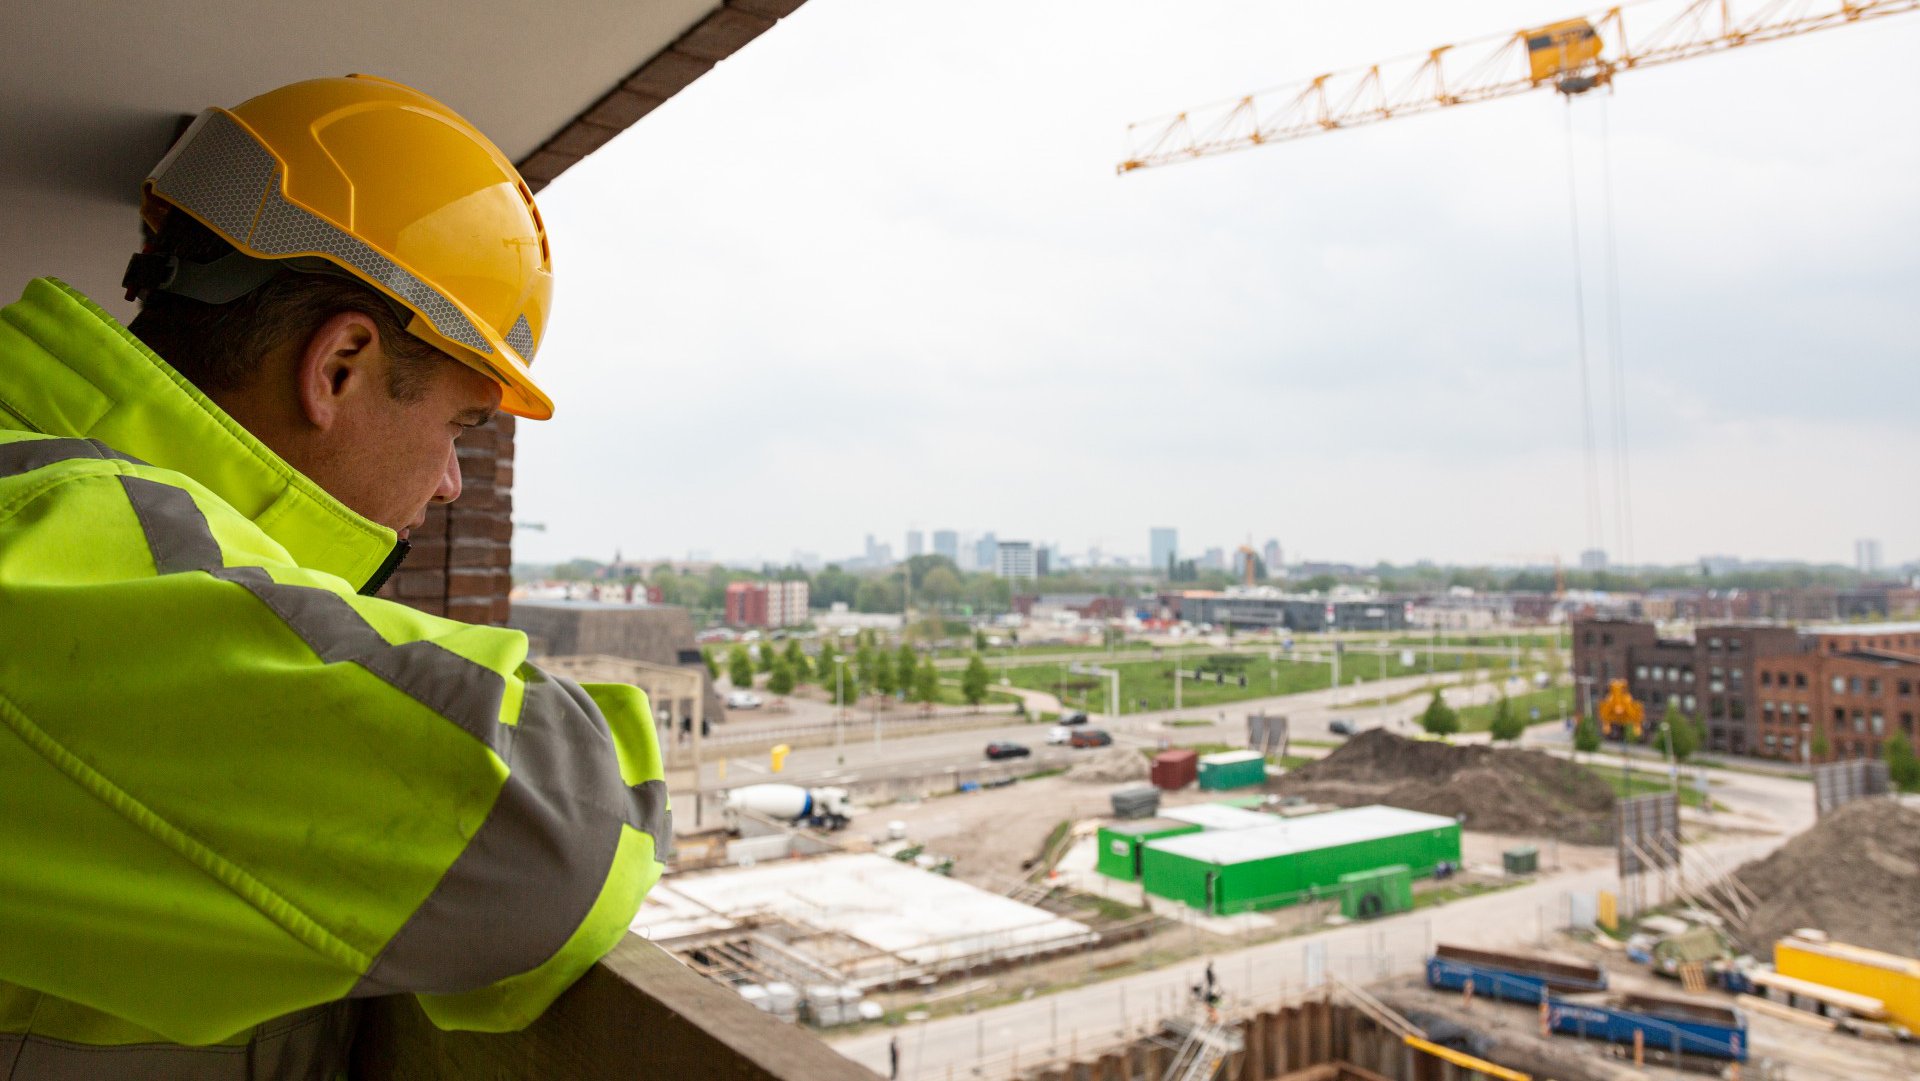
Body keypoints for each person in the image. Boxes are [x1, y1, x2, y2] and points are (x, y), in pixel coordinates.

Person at [0, 75, 668, 1077]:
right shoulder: (48, 551)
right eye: (460, 426)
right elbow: (558, 835)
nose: (450, 484)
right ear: (342, 364)